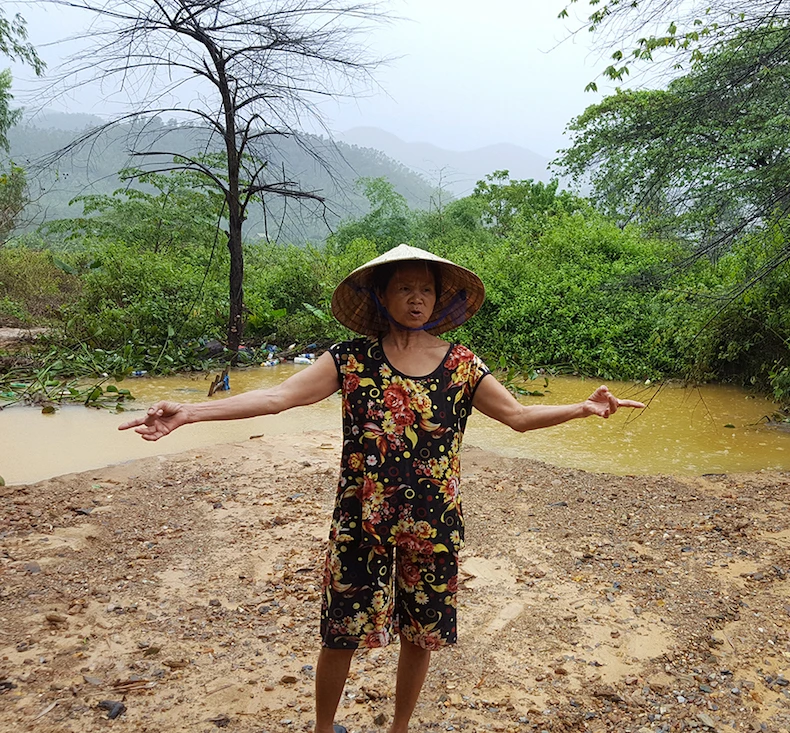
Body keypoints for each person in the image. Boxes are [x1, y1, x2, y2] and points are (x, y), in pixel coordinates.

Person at [119, 244, 644, 733]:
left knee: (421, 635)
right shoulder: (350, 359)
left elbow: (519, 417)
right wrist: (191, 412)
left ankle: (399, 729)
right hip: (360, 522)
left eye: (426, 290)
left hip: (433, 525)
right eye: (404, 288)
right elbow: (279, 398)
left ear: (438, 300)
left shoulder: (462, 365)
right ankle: (323, 728)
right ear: (381, 296)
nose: (417, 299)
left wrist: (582, 408)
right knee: (341, 632)